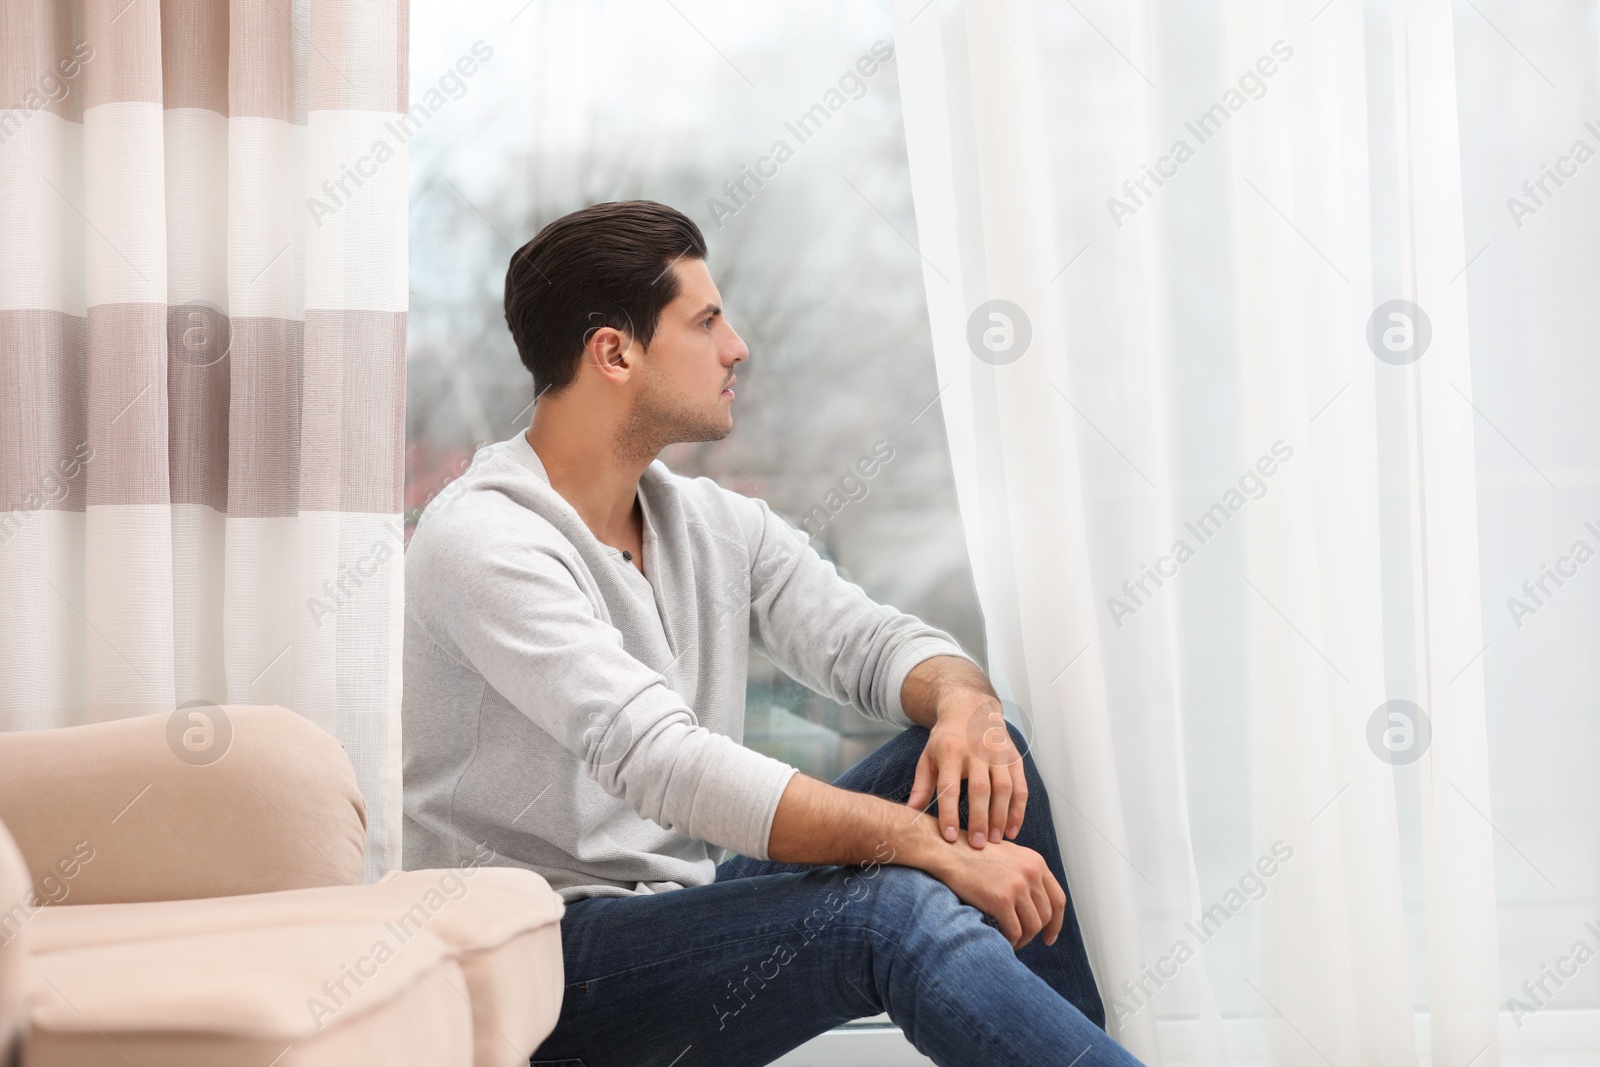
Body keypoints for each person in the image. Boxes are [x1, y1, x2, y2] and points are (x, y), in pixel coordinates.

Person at [401, 200, 1142, 1066]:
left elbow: (871, 644)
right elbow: (664, 762)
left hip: (666, 917)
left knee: (983, 762)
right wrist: (922, 848)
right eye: (706, 320)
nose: (736, 347)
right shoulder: (485, 541)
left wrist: (963, 703)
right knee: (889, 913)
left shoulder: (712, 523)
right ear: (614, 351)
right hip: (540, 963)